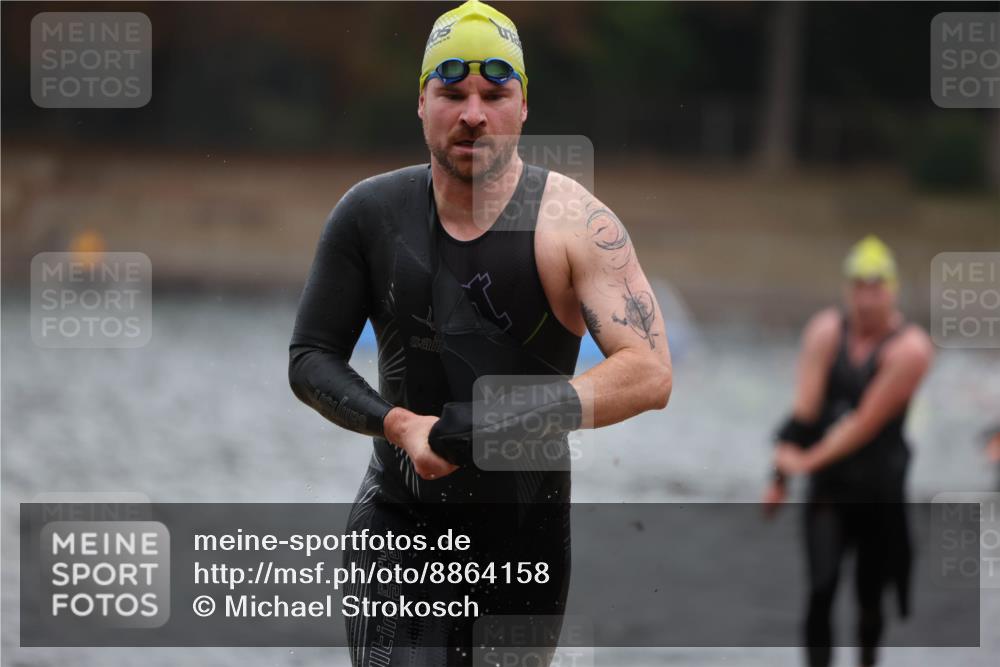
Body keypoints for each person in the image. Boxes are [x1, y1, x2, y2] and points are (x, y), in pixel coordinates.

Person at [288, 2, 671, 664]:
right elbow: (310, 358)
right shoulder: (369, 215)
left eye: (495, 94)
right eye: (452, 92)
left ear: (523, 106)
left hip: (526, 541)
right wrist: (398, 424)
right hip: (399, 521)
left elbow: (650, 372)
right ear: (421, 103)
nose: (473, 113)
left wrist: (508, 419)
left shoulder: (576, 224)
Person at [764, 235, 934, 667]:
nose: (867, 299)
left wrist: (801, 463)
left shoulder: (910, 350)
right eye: (859, 287)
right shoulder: (825, 331)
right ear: (847, 289)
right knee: (820, 591)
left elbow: (862, 425)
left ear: (893, 290)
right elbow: (804, 412)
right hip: (829, 493)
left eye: (876, 288)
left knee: (870, 601)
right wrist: (779, 478)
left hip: (880, 494)